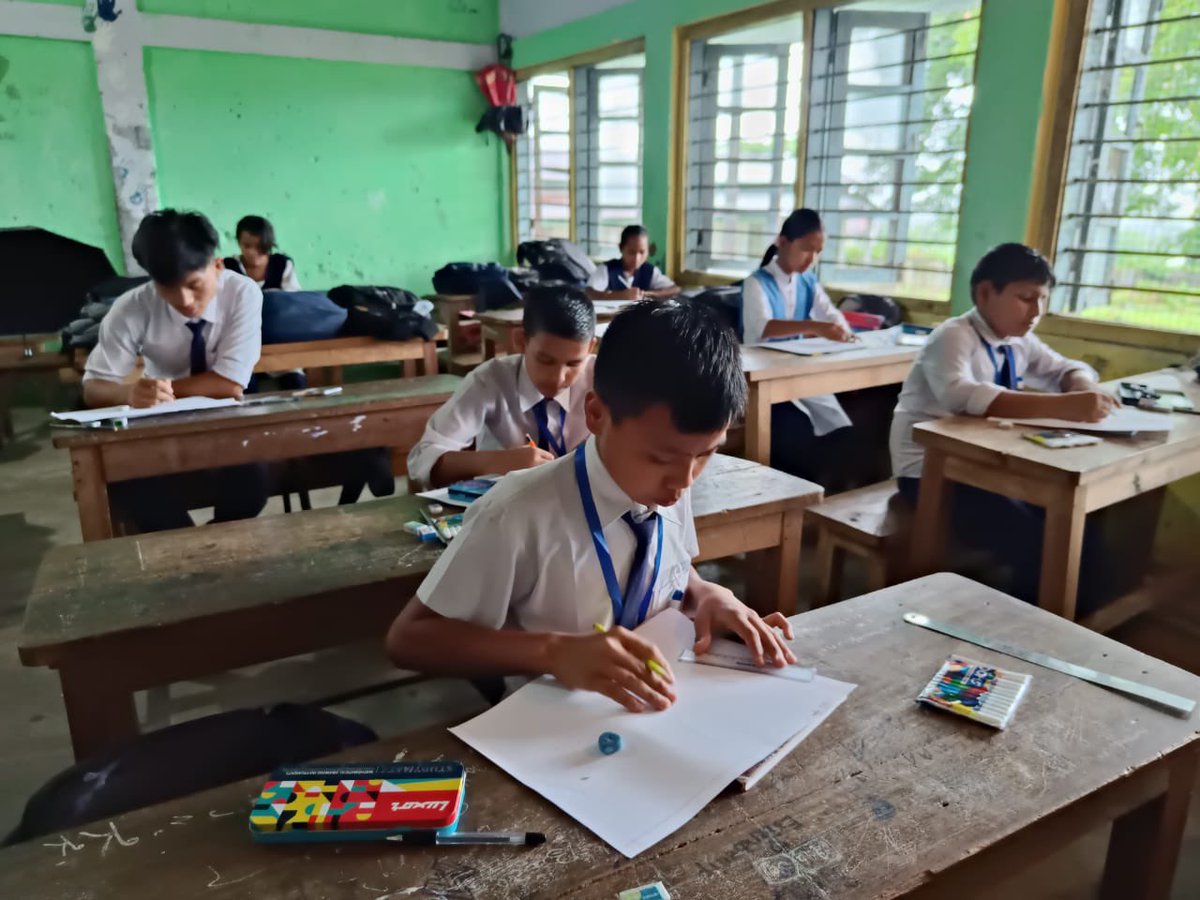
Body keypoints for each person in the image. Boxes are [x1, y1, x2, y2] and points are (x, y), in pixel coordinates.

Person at [387, 299, 795, 711]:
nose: (684, 481)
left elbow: (667, 567)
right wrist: (551, 651)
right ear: (597, 415)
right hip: (550, 729)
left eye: (706, 454)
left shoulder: (671, 482)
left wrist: (705, 593)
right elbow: (408, 640)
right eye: (659, 457)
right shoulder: (516, 512)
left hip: (652, 706)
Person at [890, 242, 1119, 606]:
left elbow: (1064, 367)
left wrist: (1082, 386)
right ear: (985, 292)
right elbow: (961, 395)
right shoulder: (953, 335)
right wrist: (1066, 407)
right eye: (1026, 297)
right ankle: (1025, 626)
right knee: (1032, 536)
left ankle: (1081, 619)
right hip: (930, 473)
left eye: (1042, 299)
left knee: (1077, 524)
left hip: (986, 466)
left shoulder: (1018, 341)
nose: (1036, 311)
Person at [83, 209, 268, 531]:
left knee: (253, 478)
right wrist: (130, 392)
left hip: (229, 419)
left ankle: (218, 540)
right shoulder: (131, 308)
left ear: (217, 266)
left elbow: (229, 384)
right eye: (167, 288)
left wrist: (161, 392)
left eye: (194, 285)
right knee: (130, 479)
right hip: (159, 426)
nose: (184, 300)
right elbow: (93, 388)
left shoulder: (243, 293)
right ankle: (182, 549)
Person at [407, 284, 597, 488]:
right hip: (506, 504)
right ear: (521, 342)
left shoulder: (605, 378)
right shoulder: (489, 380)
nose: (559, 378)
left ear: (591, 348)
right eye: (545, 360)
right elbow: (423, 459)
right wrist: (497, 461)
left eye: (573, 364)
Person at [742, 208, 858, 488]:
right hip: (764, 378)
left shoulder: (808, 282)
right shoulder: (756, 282)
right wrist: (813, 327)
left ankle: (827, 495)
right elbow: (762, 328)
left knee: (841, 427)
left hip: (798, 371)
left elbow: (830, 314)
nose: (812, 259)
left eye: (818, 252)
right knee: (799, 432)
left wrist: (841, 329)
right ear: (782, 242)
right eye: (806, 249)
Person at [586, 225, 680, 301]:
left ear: (648, 250)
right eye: (631, 252)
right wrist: (620, 296)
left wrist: (647, 294)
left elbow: (675, 290)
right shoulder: (607, 269)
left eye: (642, 252)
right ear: (621, 248)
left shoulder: (649, 271)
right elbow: (589, 293)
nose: (637, 258)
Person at [223, 215, 300, 291]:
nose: (252, 252)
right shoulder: (227, 267)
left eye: (259, 247)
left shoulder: (282, 265)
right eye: (247, 246)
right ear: (239, 243)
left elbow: (294, 299)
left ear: (268, 244)